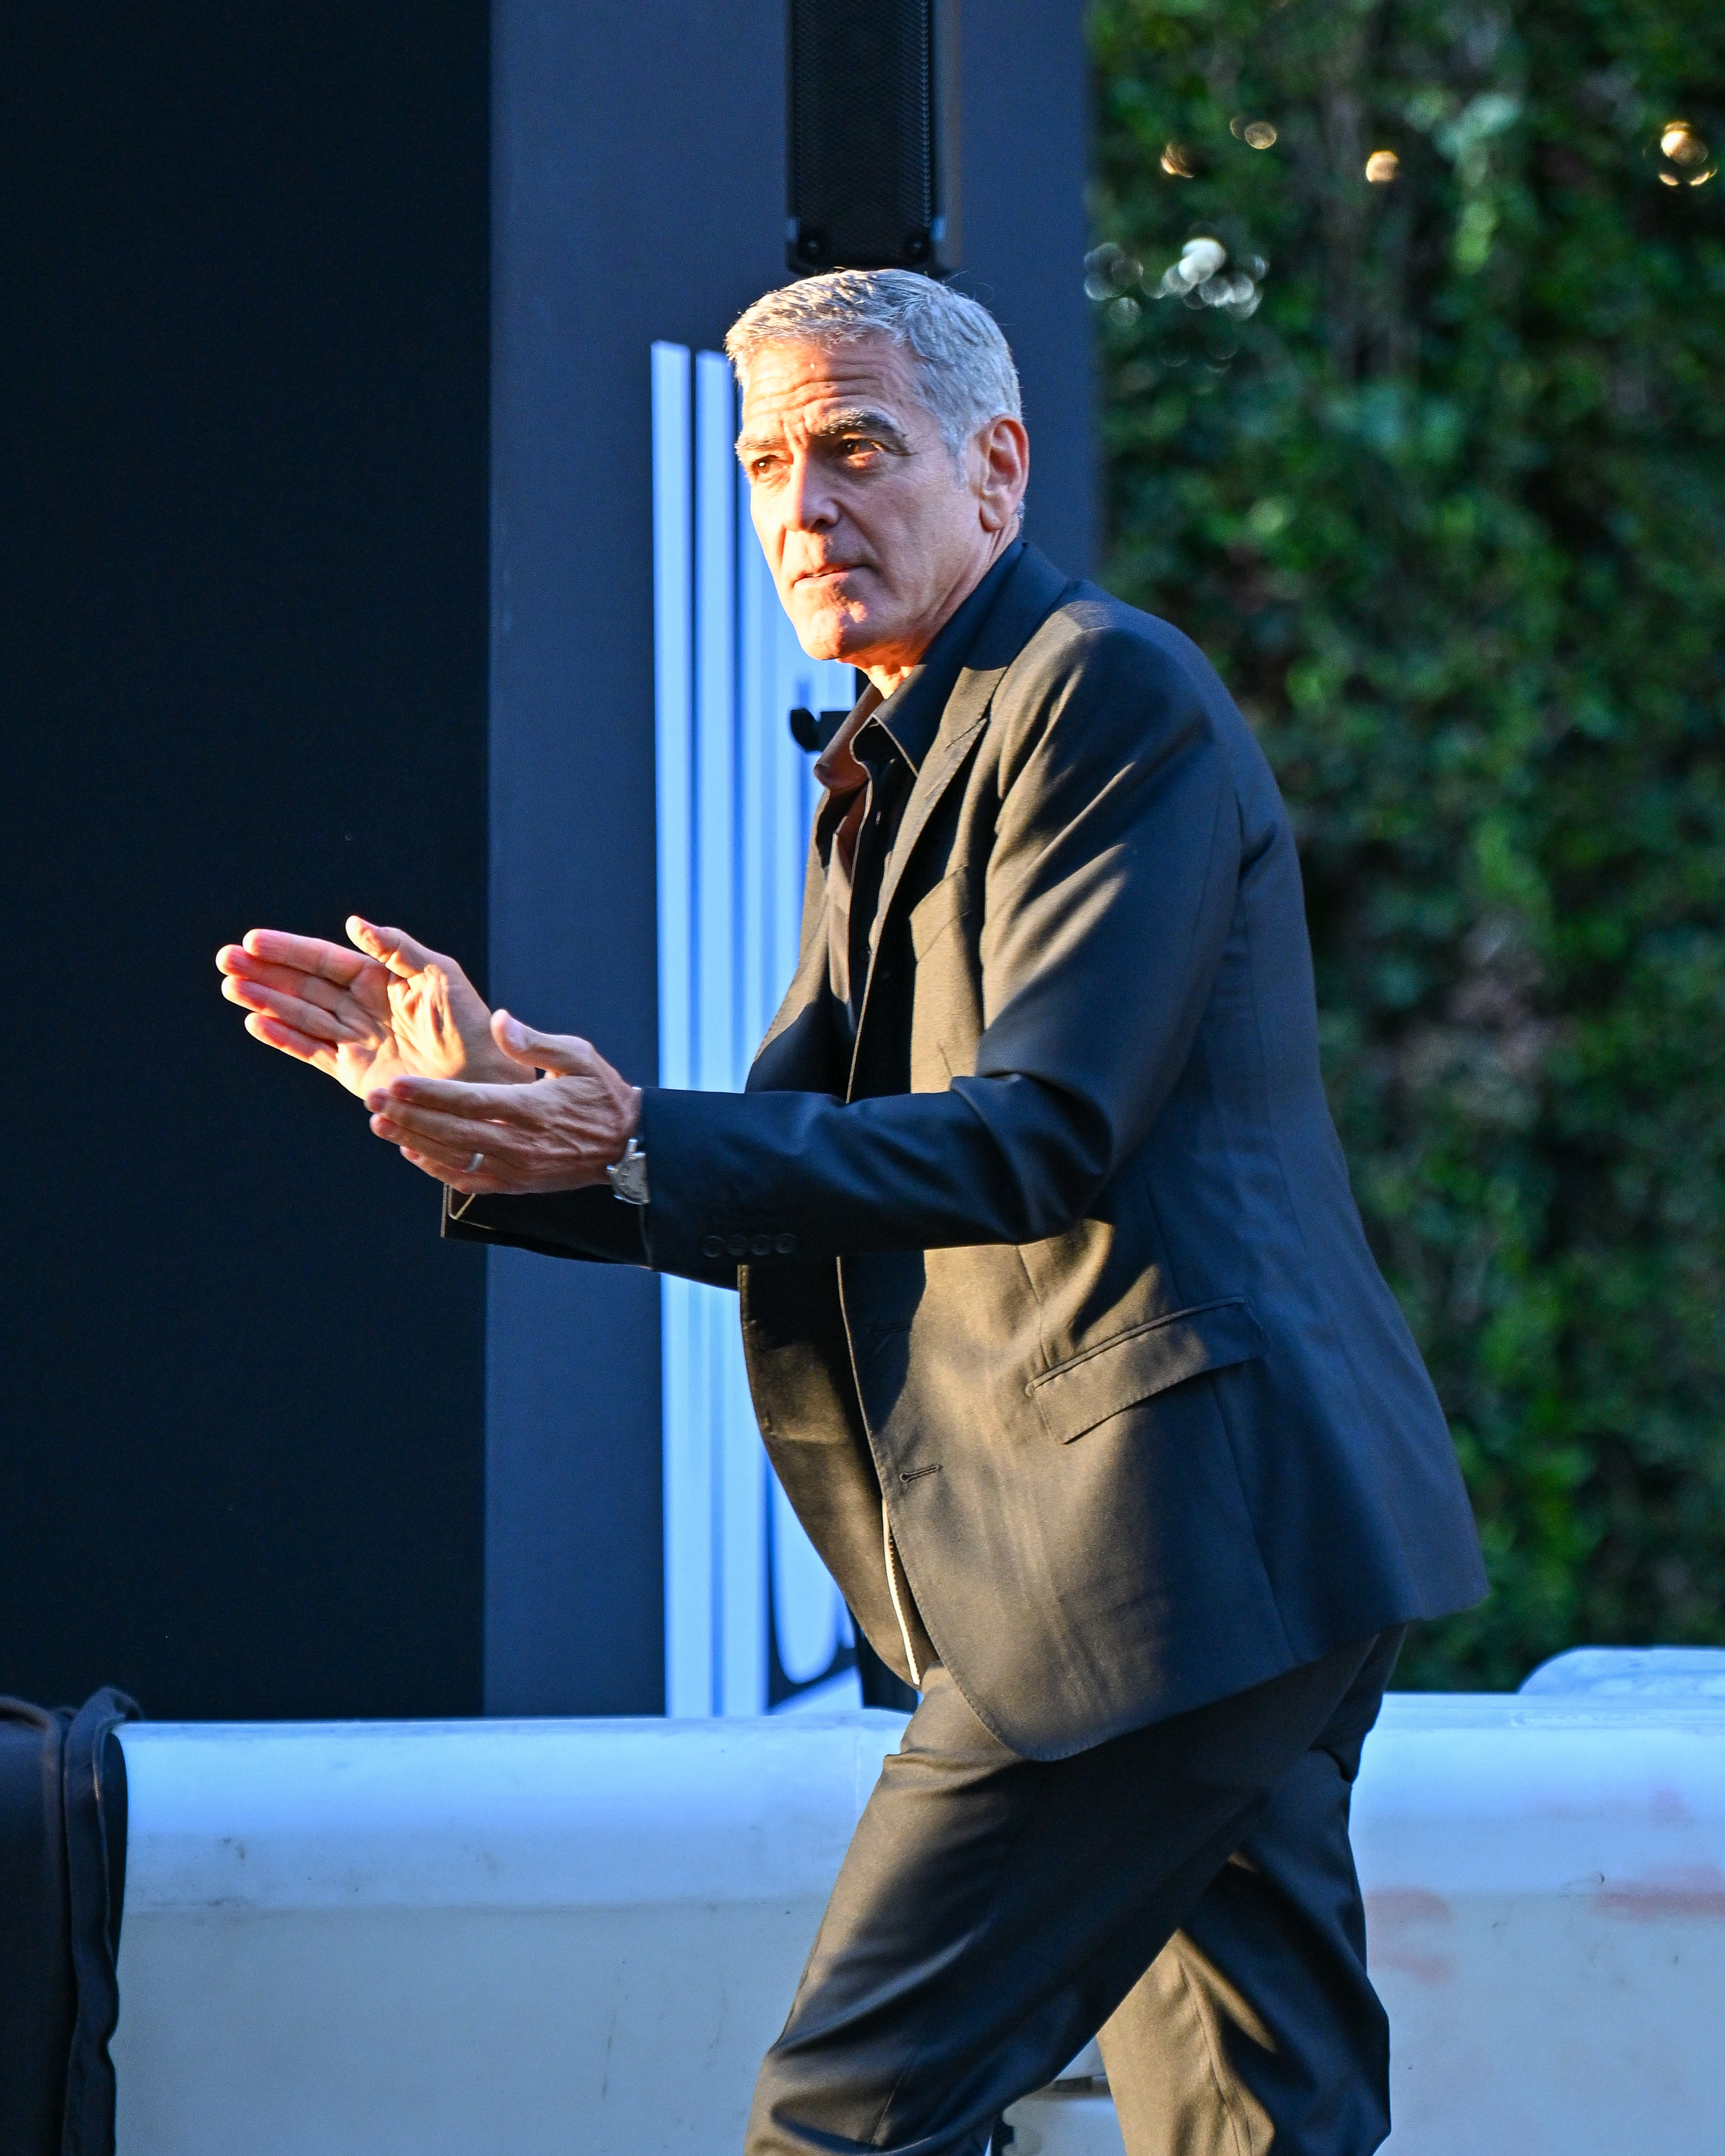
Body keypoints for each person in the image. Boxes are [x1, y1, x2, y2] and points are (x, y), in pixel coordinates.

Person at [217, 270, 1485, 2155]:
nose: (803, 505)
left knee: (845, 2113)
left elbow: (1029, 1138)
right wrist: (516, 1121)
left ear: (998, 467)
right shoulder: (893, 752)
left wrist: (624, 1136)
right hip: (1241, 1555)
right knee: (1257, 2116)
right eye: (765, 461)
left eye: (854, 448)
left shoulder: (1100, 693)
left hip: (1161, 1552)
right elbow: (807, 1163)